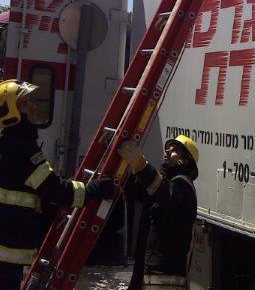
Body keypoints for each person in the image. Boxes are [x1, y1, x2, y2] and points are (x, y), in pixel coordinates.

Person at [0, 80, 116, 289]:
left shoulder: (7, 143)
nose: (34, 106)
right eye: (25, 104)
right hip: (8, 252)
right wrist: (94, 189)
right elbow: (58, 191)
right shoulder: (22, 150)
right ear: (11, 112)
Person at [119, 135, 199, 290]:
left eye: (175, 150)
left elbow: (161, 190)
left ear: (185, 160)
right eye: (167, 148)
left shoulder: (183, 186)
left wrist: (141, 165)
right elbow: (139, 192)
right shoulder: (167, 185)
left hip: (166, 276)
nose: (167, 151)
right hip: (148, 272)